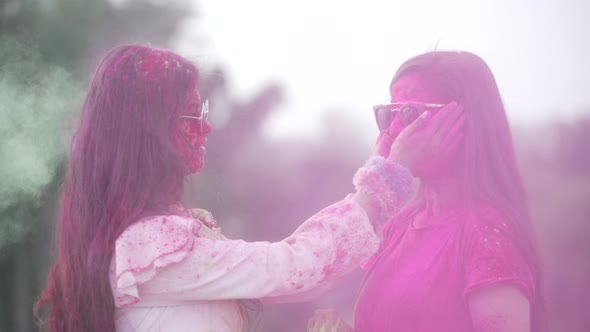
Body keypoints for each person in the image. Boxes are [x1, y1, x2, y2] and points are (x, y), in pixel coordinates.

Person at [34, 45, 463, 332]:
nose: (206, 127)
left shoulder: (140, 237)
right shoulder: (149, 248)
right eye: (190, 116)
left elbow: (292, 267)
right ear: (147, 135)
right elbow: (295, 267)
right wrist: (388, 175)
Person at [308, 51, 544, 332]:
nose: (394, 129)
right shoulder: (400, 225)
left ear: (464, 121)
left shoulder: (487, 236)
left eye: (410, 114)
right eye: (388, 114)